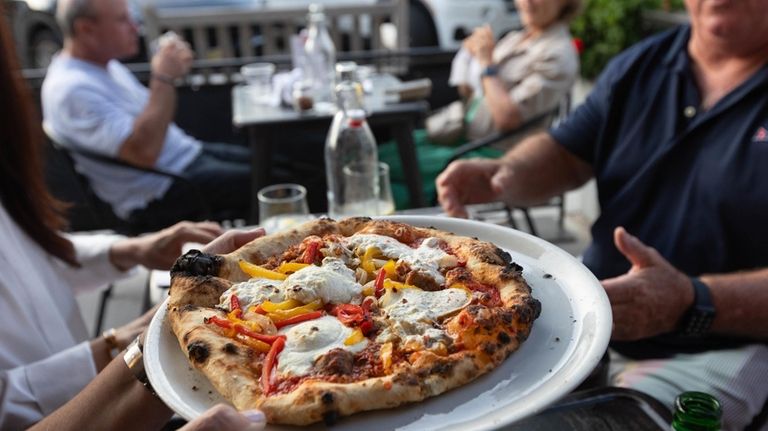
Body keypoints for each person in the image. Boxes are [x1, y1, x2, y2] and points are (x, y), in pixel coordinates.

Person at [436, 0, 768, 428]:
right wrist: (505, 173)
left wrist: (692, 299)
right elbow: (567, 154)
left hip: (723, 347)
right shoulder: (640, 65)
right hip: (588, 319)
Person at [41, 0, 252, 233]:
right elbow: (144, 153)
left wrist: (164, 77)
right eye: (123, 20)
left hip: (184, 159)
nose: (136, 27)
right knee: (269, 179)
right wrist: (163, 78)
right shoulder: (71, 89)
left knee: (271, 161)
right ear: (85, 29)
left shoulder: (102, 65)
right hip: (161, 191)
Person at [381, 0, 580, 208]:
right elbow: (473, 93)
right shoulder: (516, 38)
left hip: (489, 151)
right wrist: (470, 59)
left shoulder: (558, 54)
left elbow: (507, 120)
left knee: (385, 170)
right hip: (458, 134)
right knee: (384, 156)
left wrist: (486, 64)